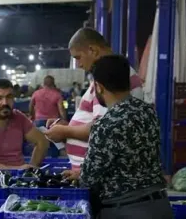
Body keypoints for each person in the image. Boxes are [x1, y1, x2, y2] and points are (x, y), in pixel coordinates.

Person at [65, 55, 173, 219]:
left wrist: (80, 175)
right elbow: (131, 158)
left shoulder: (107, 124)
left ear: (98, 86)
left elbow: (90, 179)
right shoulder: (148, 113)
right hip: (160, 210)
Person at [44, 28, 144, 171]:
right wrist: (67, 127)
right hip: (92, 172)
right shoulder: (111, 75)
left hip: (98, 175)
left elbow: (102, 130)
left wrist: (65, 132)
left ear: (92, 50)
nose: (79, 65)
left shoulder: (111, 79)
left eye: (78, 57)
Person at [0, 79, 49, 169]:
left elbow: (42, 141)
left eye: (9, 97)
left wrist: (32, 168)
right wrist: (18, 169)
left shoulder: (19, 118)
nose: (5, 102)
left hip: (19, 178)